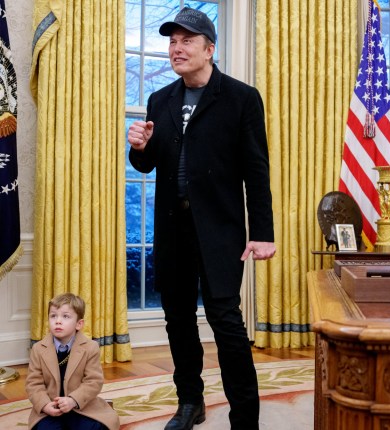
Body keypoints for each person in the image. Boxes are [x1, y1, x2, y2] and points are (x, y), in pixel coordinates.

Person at [127, 7, 276, 430]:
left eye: (187, 41)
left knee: (226, 323)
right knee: (177, 320)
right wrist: (138, 148)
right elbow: (149, 163)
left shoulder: (242, 98)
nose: (177, 48)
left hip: (221, 232)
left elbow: (256, 170)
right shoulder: (161, 99)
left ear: (210, 49)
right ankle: (190, 403)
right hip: (173, 231)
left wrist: (262, 233)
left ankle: (245, 418)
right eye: (172, 41)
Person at [25, 293, 120, 430]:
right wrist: (45, 405)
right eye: (53, 316)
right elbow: (33, 384)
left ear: (79, 324)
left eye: (65, 316)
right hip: (51, 409)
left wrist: (73, 400)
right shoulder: (38, 349)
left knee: (96, 427)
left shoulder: (90, 347)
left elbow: (94, 382)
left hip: (81, 406)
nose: (58, 321)